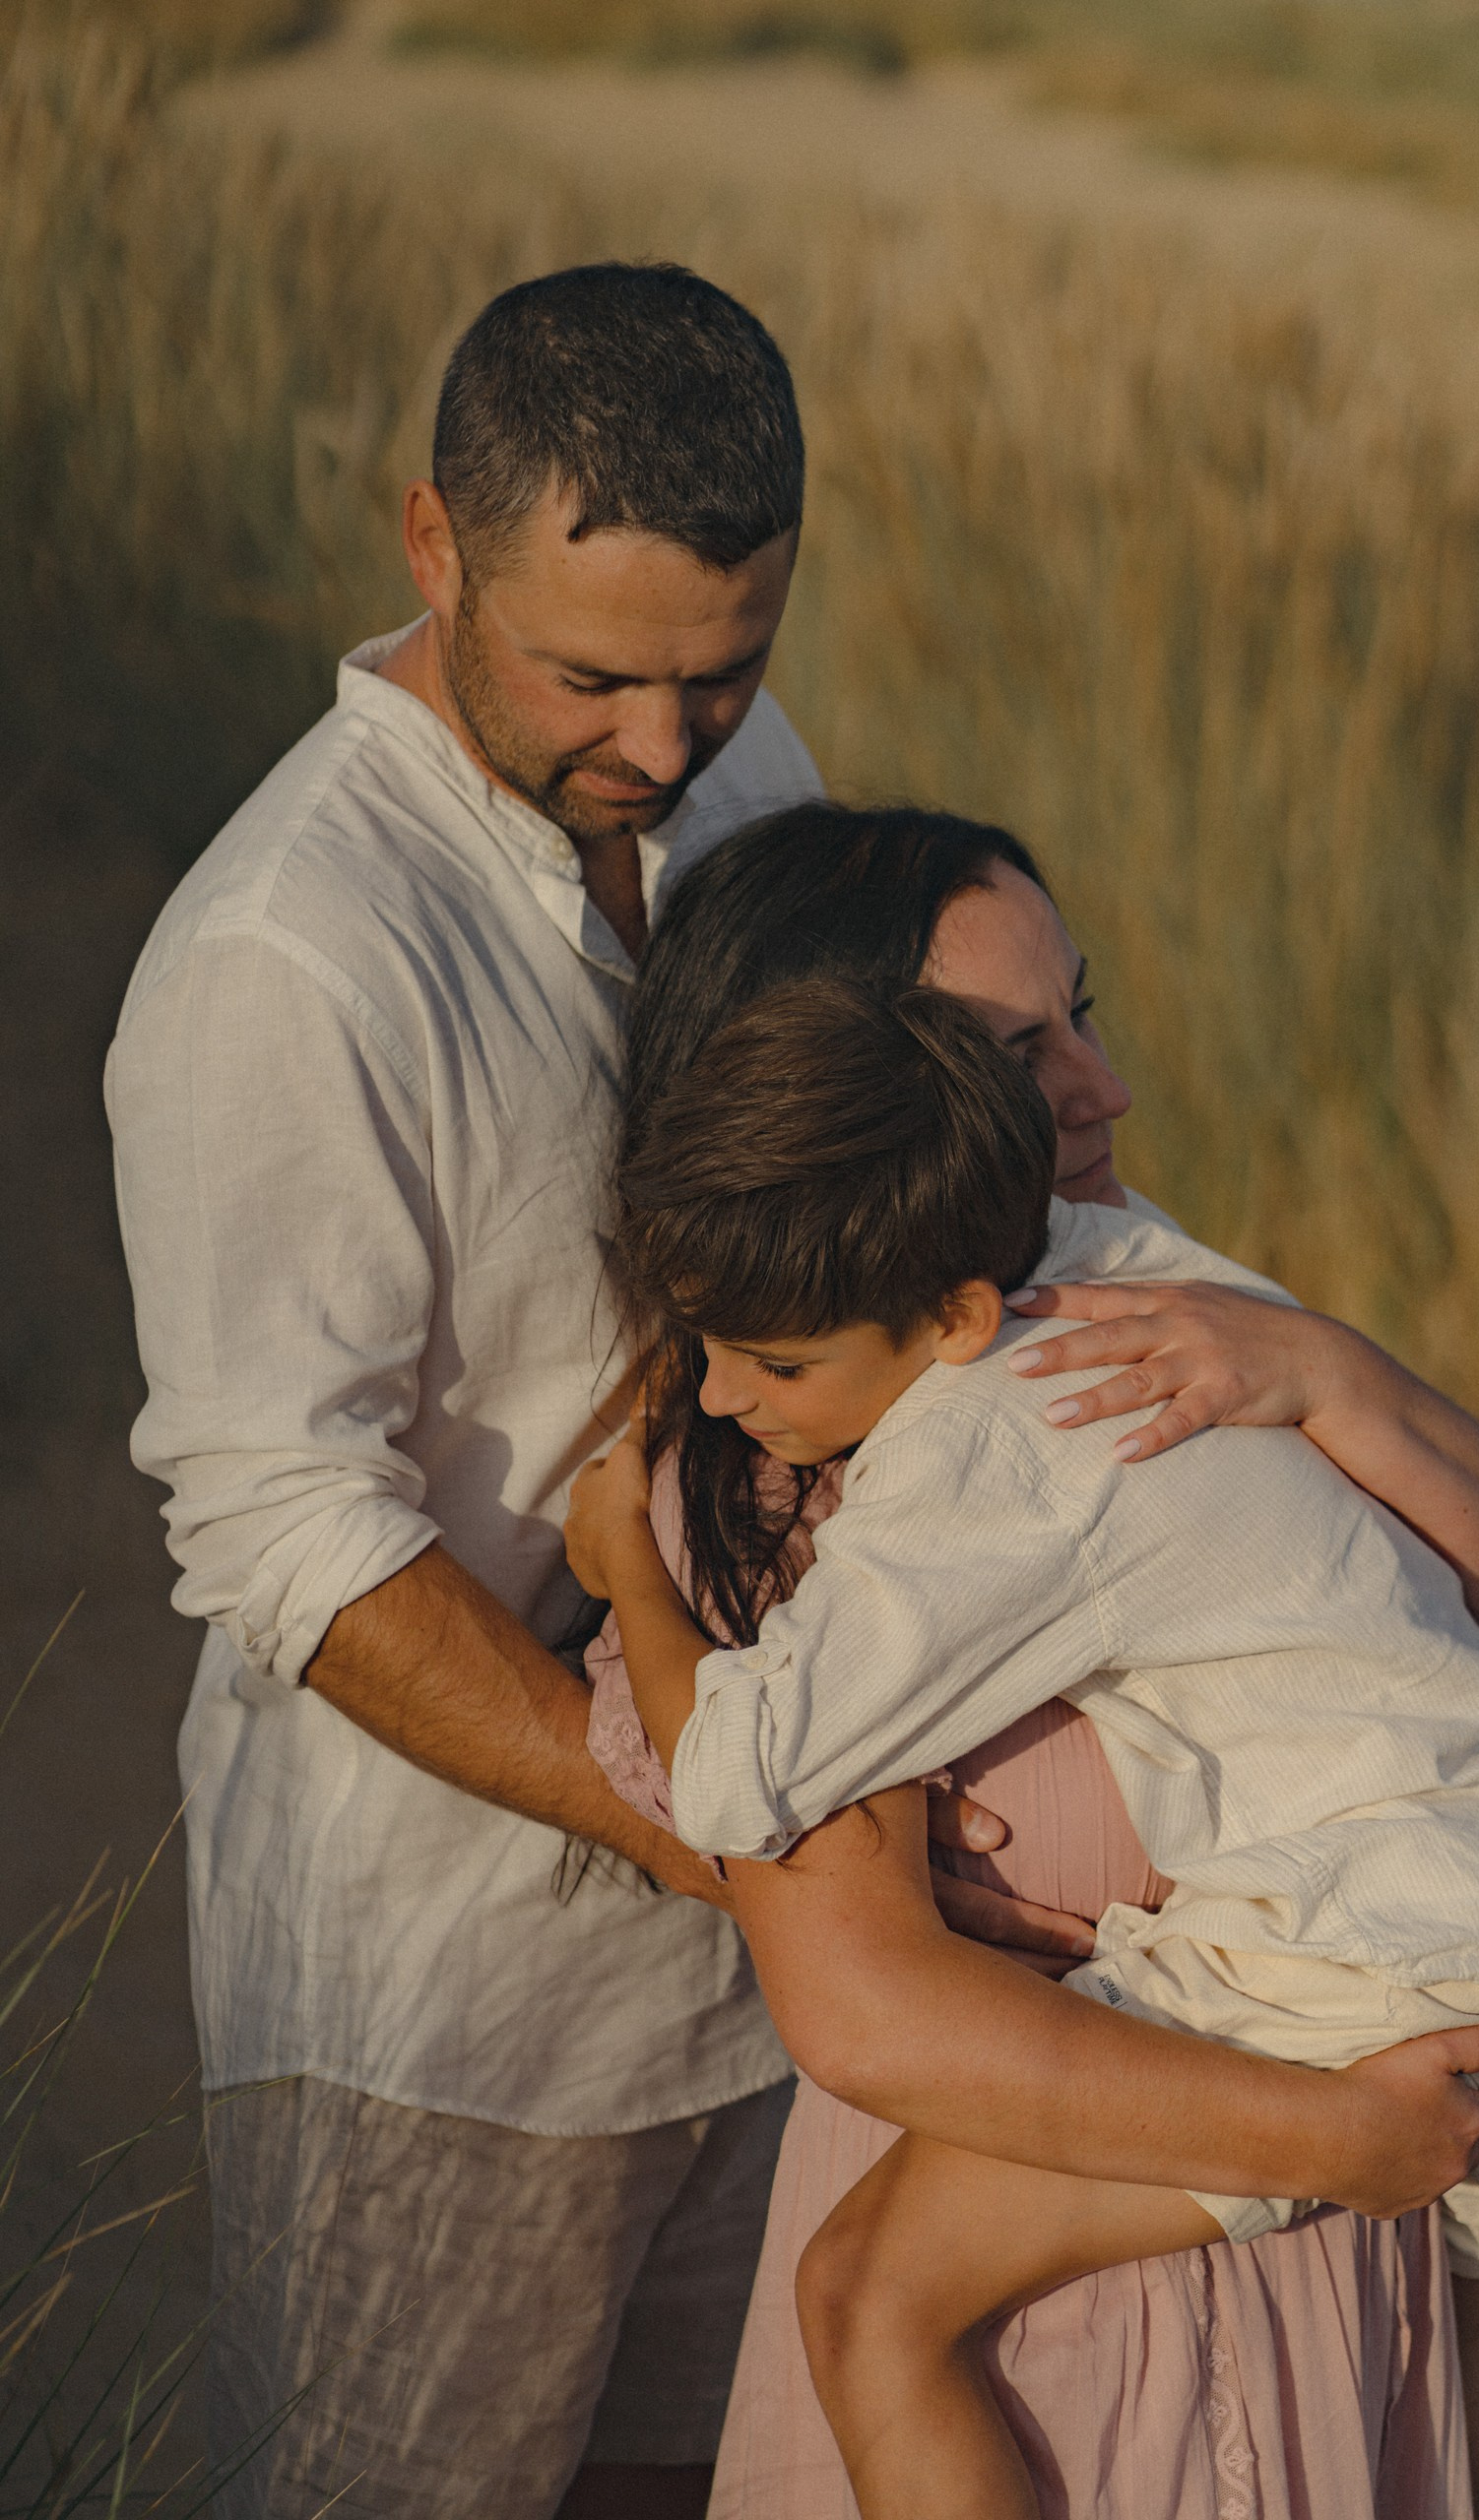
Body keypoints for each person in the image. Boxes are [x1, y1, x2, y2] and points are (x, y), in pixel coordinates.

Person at [562, 801, 1479, 2517]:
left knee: (1452, 2407)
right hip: (1082, 2298)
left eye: (1083, 1014)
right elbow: (861, 2004)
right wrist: (1328, 2137)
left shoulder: (1133, 1316)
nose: (1103, 1091)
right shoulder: (817, 1476)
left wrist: (1322, 1366)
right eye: (1020, 1049)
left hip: (1332, 2192)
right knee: (874, 2304)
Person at [105, 262, 833, 2520]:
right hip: (443, 2009)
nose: (662, 742)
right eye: (589, 671)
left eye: (719, 670)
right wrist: (687, 1815)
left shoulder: (750, 774)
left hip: (765, 1962)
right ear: (430, 544)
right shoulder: (284, 954)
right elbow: (280, 1524)